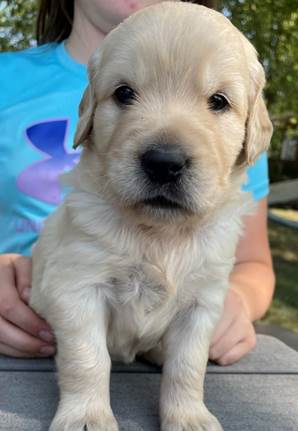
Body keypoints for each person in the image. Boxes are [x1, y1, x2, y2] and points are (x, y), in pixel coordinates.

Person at [0, 0, 275, 363]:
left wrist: (235, 299)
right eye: (125, 95)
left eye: (217, 102)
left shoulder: (235, 72)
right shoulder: (7, 80)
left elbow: (253, 264)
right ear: (89, 111)